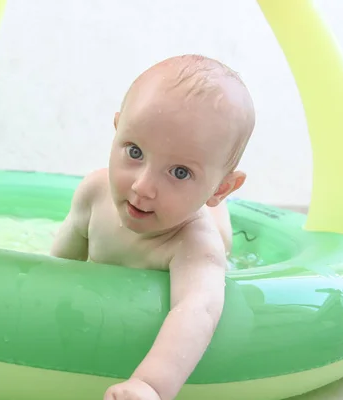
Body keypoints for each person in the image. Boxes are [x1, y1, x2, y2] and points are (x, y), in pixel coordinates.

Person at [50, 54, 256, 400]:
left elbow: (198, 310)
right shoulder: (94, 194)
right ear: (117, 130)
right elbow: (56, 269)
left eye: (180, 172)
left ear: (221, 188)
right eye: (134, 151)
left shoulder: (192, 244)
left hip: (202, 231)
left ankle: (219, 211)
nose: (143, 186)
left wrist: (149, 384)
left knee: (218, 242)